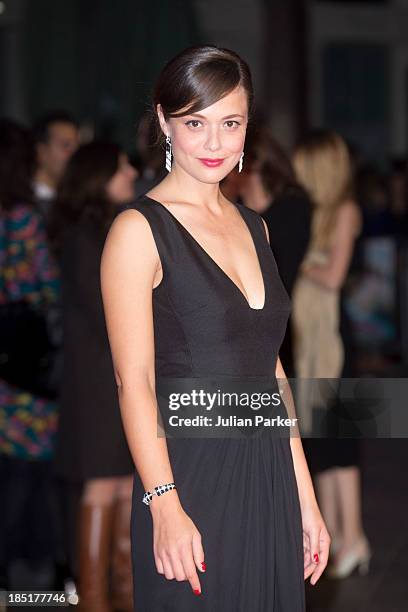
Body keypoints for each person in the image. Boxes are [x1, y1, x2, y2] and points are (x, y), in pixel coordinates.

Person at [101, 46, 330, 611]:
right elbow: (134, 384)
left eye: (230, 124)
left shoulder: (257, 228)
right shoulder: (138, 230)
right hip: (190, 476)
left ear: (248, 129)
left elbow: (270, 373)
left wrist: (306, 497)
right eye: (195, 123)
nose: (213, 143)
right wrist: (165, 504)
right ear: (163, 122)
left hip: (268, 473)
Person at [49, 142, 137, 612]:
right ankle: (94, 598)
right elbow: (106, 312)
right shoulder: (88, 236)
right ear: (97, 175)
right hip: (98, 383)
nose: (131, 170)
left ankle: (122, 592)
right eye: (122, 165)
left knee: (123, 481)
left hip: (112, 377)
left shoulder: (102, 229)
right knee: (104, 482)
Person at [291, 129, 370, 578]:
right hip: (312, 341)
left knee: (342, 445)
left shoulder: (344, 210)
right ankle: (336, 536)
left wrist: (298, 261)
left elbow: (334, 275)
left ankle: (353, 536)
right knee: (321, 444)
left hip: (335, 343)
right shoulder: (316, 212)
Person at [0, 119, 60, 587]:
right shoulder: (20, 217)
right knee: (30, 472)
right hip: (22, 358)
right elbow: (45, 286)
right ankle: (31, 586)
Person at [238, 126, 312, 375]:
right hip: (245, 336)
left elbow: (285, 279)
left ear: (254, 164)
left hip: (286, 332)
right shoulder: (234, 212)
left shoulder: (292, 208)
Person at [33, 111, 80, 221]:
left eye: (77, 147)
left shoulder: (75, 201)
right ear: (40, 151)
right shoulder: (22, 205)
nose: (75, 154)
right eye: (66, 145)